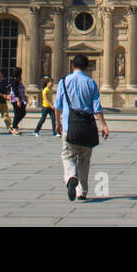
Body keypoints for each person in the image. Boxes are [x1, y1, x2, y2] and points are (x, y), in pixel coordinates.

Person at [53, 55, 109, 202]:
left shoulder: (64, 82)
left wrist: (57, 123)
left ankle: (71, 176)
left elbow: (57, 105)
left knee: (68, 155)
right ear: (86, 67)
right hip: (87, 127)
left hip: (69, 126)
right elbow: (97, 108)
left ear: (72, 66)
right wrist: (104, 125)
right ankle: (82, 191)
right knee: (84, 159)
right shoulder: (91, 83)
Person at [9, 68, 27, 135]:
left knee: (22, 112)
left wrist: (24, 97)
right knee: (17, 113)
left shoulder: (18, 80)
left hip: (20, 98)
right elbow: (15, 91)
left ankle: (13, 125)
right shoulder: (14, 80)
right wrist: (18, 100)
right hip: (15, 99)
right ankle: (14, 128)